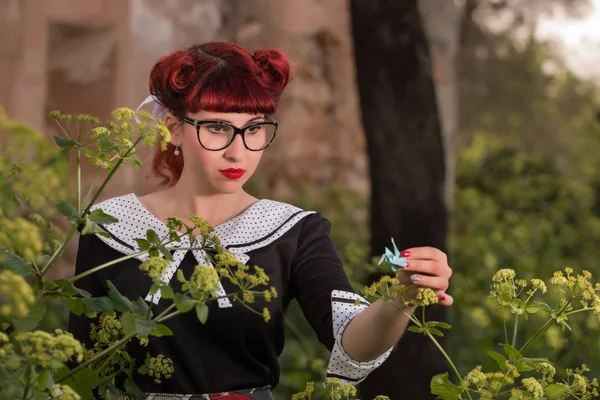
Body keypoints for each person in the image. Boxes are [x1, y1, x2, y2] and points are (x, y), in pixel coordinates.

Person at [69, 42, 453, 400]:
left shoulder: (294, 231)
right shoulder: (109, 224)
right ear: (173, 128)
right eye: (217, 128)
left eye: (253, 129)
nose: (239, 151)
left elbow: (349, 340)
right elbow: (79, 364)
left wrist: (400, 300)